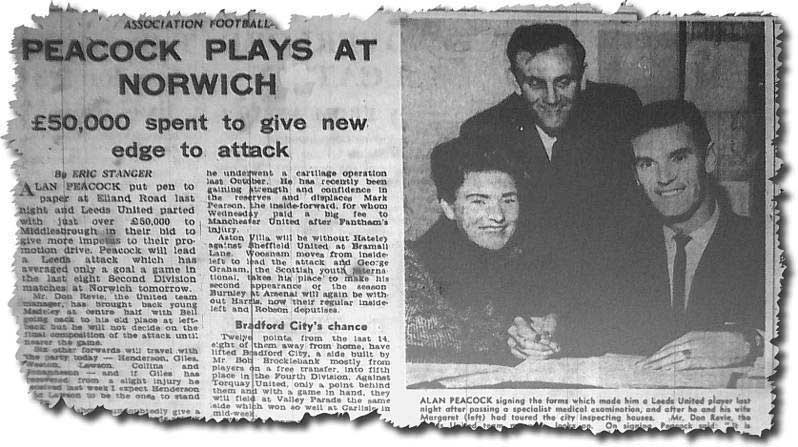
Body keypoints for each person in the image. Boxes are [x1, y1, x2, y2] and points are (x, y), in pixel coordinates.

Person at [604, 100, 764, 370]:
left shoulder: (761, 246)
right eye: (647, 164)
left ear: (709, 158)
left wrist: (751, 342)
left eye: (678, 158)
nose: (664, 177)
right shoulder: (617, 252)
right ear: (636, 174)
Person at [459, 23, 643, 242]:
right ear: (515, 83)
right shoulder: (485, 132)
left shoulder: (618, 110)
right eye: (536, 84)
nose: (552, 99)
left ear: (582, 77)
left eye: (563, 82)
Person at [405, 137, 563, 366]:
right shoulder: (412, 264)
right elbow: (433, 342)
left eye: (508, 200)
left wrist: (549, 328)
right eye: (479, 202)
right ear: (448, 207)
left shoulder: (527, 254)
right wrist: (508, 339)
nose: (498, 216)